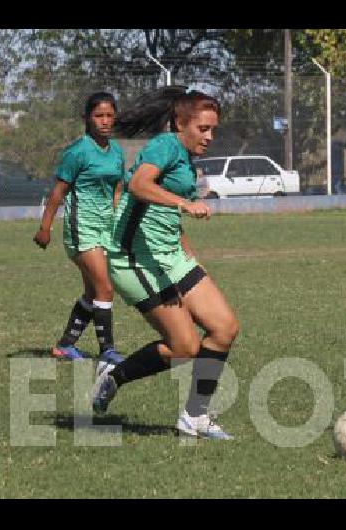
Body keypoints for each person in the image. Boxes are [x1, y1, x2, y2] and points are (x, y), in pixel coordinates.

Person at [91, 86, 238, 440]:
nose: (210, 136)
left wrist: (186, 250)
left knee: (224, 328)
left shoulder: (184, 156)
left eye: (213, 129)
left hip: (170, 257)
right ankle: (114, 375)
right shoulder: (164, 145)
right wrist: (184, 204)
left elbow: (161, 216)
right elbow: (139, 186)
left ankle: (195, 417)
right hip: (134, 260)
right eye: (203, 129)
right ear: (180, 123)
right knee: (185, 347)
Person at [33, 92, 125, 372]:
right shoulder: (78, 151)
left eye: (109, 115)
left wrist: (117, 220)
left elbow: (117, 188)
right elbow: (58, 192)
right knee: (105, 288)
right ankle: (107, 351)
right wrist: (44, 228)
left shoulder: (117, 151)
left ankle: (65, 344)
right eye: (99, 116)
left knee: (92, 292)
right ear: (87, 119)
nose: (105, 121)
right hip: (80, 227)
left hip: (104, 227)